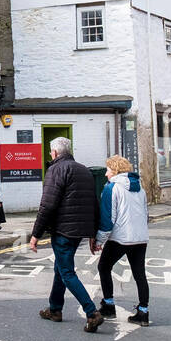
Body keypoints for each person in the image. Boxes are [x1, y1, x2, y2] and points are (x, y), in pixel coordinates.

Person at [29, 137, 101, 328]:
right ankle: (54, 309)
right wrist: (93, 234)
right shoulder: (84, 170)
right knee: (60, 268)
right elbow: (94, 203)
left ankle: (91, 312)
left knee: (67, 272)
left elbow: (47, 205)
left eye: (50, 152)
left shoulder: (55, 169)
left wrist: (35, 234)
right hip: (80, 232)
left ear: (54, 153)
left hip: (63, 230)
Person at [92, 155, 151, 328]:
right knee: (140, 274)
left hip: (120, 237)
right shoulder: (140, 188)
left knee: (103, 266)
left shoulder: (112, 188)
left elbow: (108, 218)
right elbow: (146, 214)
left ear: (115, 170)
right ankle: (143, 312)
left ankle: (109, 305)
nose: (106, 174)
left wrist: (99, 241)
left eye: (108, 170)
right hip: (140, 238)